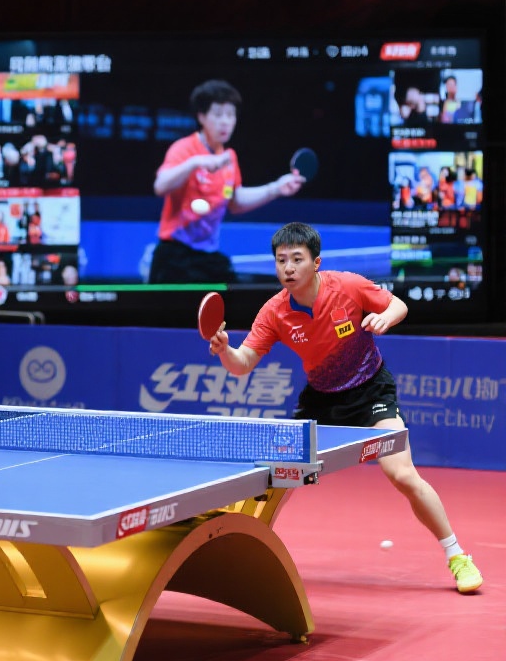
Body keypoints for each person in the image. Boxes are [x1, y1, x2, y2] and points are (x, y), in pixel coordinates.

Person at [204, 222, 482, 595]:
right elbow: (242, 364)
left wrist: (385, 317)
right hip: (321, 399)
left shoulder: (348, 286)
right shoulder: (274, 312)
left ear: (316, 262)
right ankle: (235, 559)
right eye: (281, 260)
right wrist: (225, 349)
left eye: (297, 259)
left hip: (370, 391)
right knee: (272, 479)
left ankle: (457, 555)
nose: (288, 268)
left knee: (402, 474)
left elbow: (398, 304)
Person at [150, 80, 305, 283]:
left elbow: (236, 201)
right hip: (174, 256)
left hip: (208, 257)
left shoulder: (229, 158)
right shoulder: (184, 148)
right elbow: (160, 186)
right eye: (218, 114)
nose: (225, 122)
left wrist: (276, 188)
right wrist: (195, 162)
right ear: (201, 116)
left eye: (230, 115)